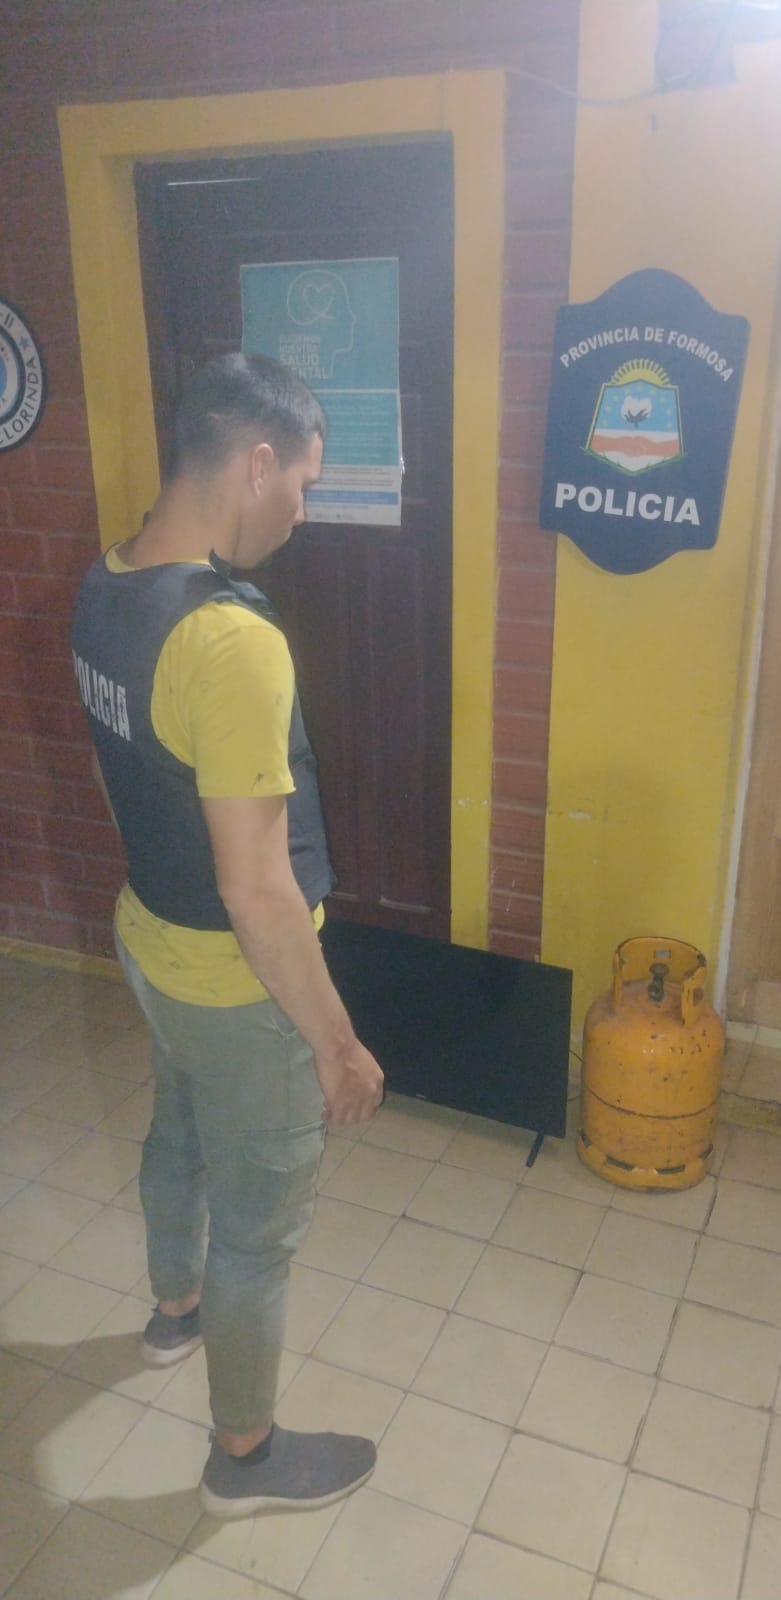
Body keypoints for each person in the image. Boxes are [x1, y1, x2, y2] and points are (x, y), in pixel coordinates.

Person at [70, 352, 384, 1519]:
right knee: (257, 1230)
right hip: (236, 987)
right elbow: (258, 890)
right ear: (256, 463)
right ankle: (243, 1459)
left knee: (180, 1134)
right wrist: (336, 1045)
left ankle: (171, 1314)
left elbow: (122, 774)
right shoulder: (231, 639)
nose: (300, 513)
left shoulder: (106, 580)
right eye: (301, 483)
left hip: (149, 941)